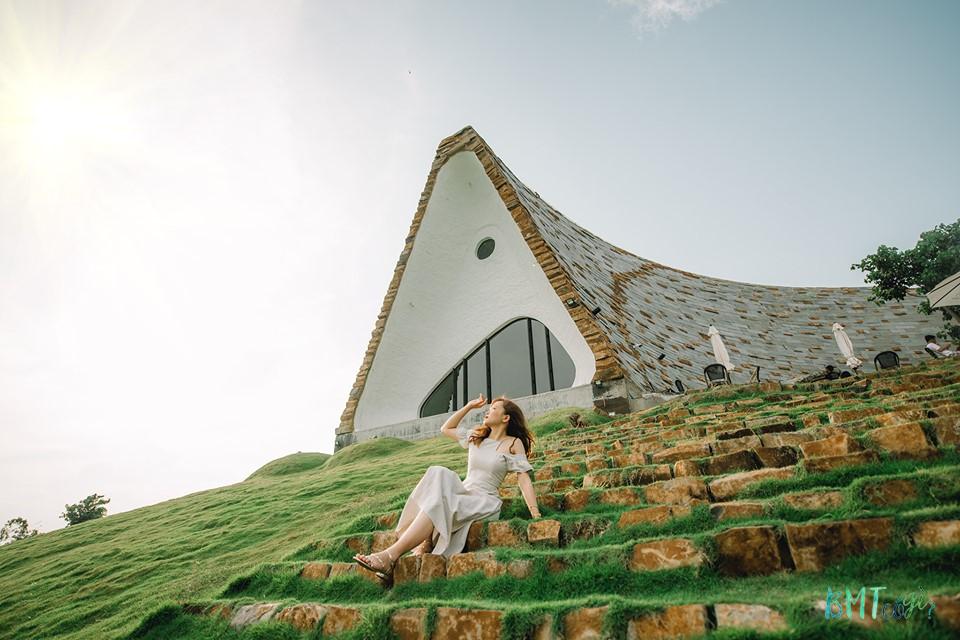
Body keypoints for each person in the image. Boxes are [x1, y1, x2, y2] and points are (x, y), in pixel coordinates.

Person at [353, 393, 540, 582]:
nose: (487, 411)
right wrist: (469, 406)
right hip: (465, 491)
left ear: (505, 418)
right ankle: (399, 553)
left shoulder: (513, 443)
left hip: (484, 500)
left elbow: (523, 479)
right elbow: (446, 428)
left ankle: (390, 555)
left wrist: (535, 513)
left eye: (493, 408)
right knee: (438, 473)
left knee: (439, 499)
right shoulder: (477, 436)